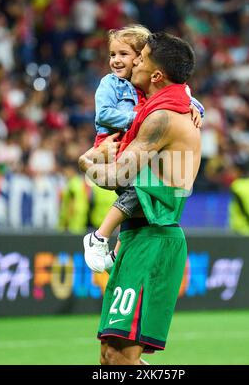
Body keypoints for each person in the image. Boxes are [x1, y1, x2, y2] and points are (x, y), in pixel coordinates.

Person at [79, 32, 201, 365]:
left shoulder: (162, 118)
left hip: (154, 238)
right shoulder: (162, 108)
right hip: (135, 237)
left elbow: (119, 176)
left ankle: (98, 236)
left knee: (120, 358)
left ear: (156, 74)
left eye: (141, 57)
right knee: (110, 356)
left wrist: (87, 162)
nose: (134, 62)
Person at [84, 25, 204, 273]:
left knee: (140, 194)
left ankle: (115, 250)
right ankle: (99, 236)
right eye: (112, 54)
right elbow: (104, 114)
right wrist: (137, 117)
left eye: (126, 55)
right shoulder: (111, 84)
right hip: (112, 142)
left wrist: (195, 108)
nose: (116, 61)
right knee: (138, 189)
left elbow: (184, 92)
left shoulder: (149, 92)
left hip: (133, 151)